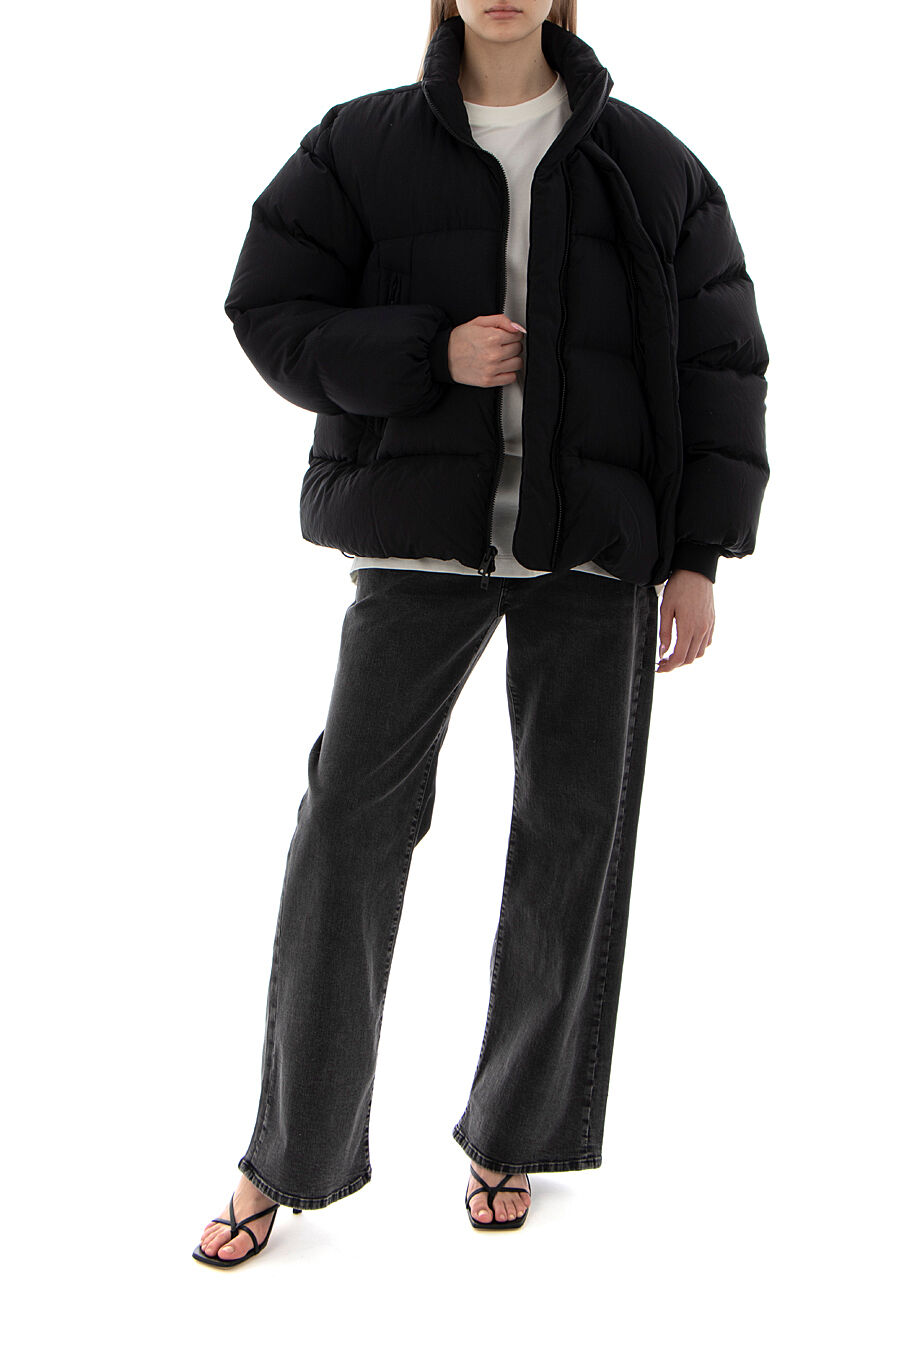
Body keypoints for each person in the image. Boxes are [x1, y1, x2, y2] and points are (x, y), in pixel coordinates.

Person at [194, 0, 769, 1266]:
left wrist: (697, 557)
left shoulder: (652, 164)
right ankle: (285, 1155)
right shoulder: (356, 146)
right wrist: (426, 354)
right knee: (348, 827)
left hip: (596, 552)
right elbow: (268, 311)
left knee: (572, 836)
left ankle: (515, 1129)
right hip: (416, 542)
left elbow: (723, 365)